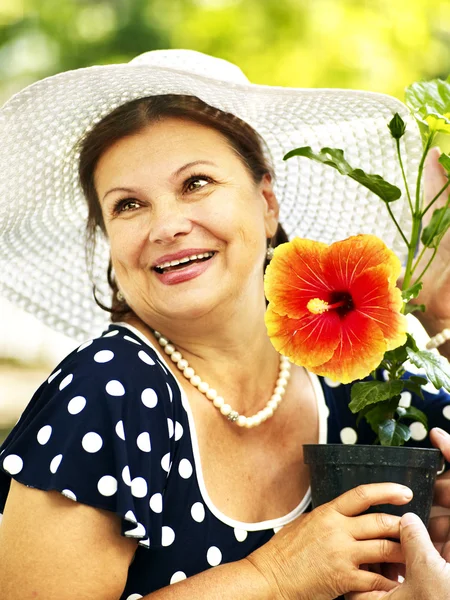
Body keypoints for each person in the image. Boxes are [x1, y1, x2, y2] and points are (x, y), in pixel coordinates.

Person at [0, 49, 449, 600]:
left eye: (196, 183)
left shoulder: (358, 367)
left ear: (266, 202)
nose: (166, 225)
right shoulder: (105, 392)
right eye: (128, 205)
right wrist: (275, 576)